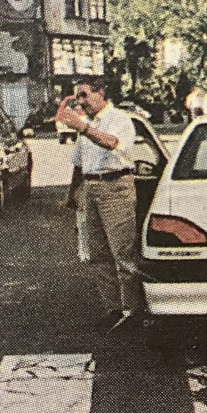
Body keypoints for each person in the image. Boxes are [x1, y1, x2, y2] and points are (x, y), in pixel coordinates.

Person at [56, 76, 145, 331]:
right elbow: (79, 162)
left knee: (123, 253)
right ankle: (113, 308)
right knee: (98, 253)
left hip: (116, 186)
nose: (80, 102)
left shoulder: (120, 120)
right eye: (77, 97)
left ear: (101, 93)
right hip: (91, 187)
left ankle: (134, 311)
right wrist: (73, 193)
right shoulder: (87, 123)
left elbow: (112, 143)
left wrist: (82, 128)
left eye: (84, 95)